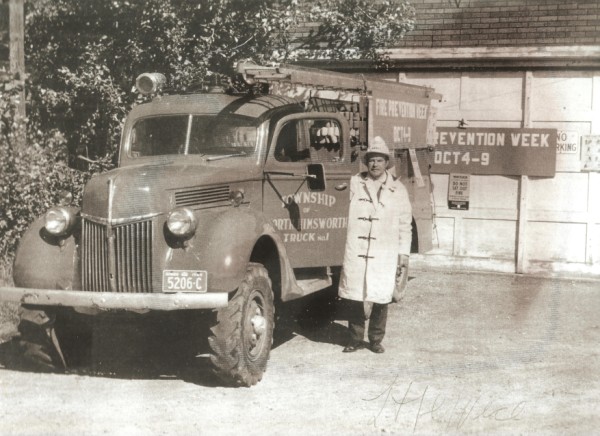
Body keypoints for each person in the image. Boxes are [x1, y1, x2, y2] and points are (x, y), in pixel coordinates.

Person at [338, 136, 412, 354]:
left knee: (381, 296)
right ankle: (354, 338)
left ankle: (376, 339)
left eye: (379, 160)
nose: (375, 164)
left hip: (384, 251)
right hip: (357, 249)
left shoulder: (398, 190)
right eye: (371, 160)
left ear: (386, 163)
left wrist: (403, 254)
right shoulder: (354, 183)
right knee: (355, 295)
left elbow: (405, 224)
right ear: (366, 162)